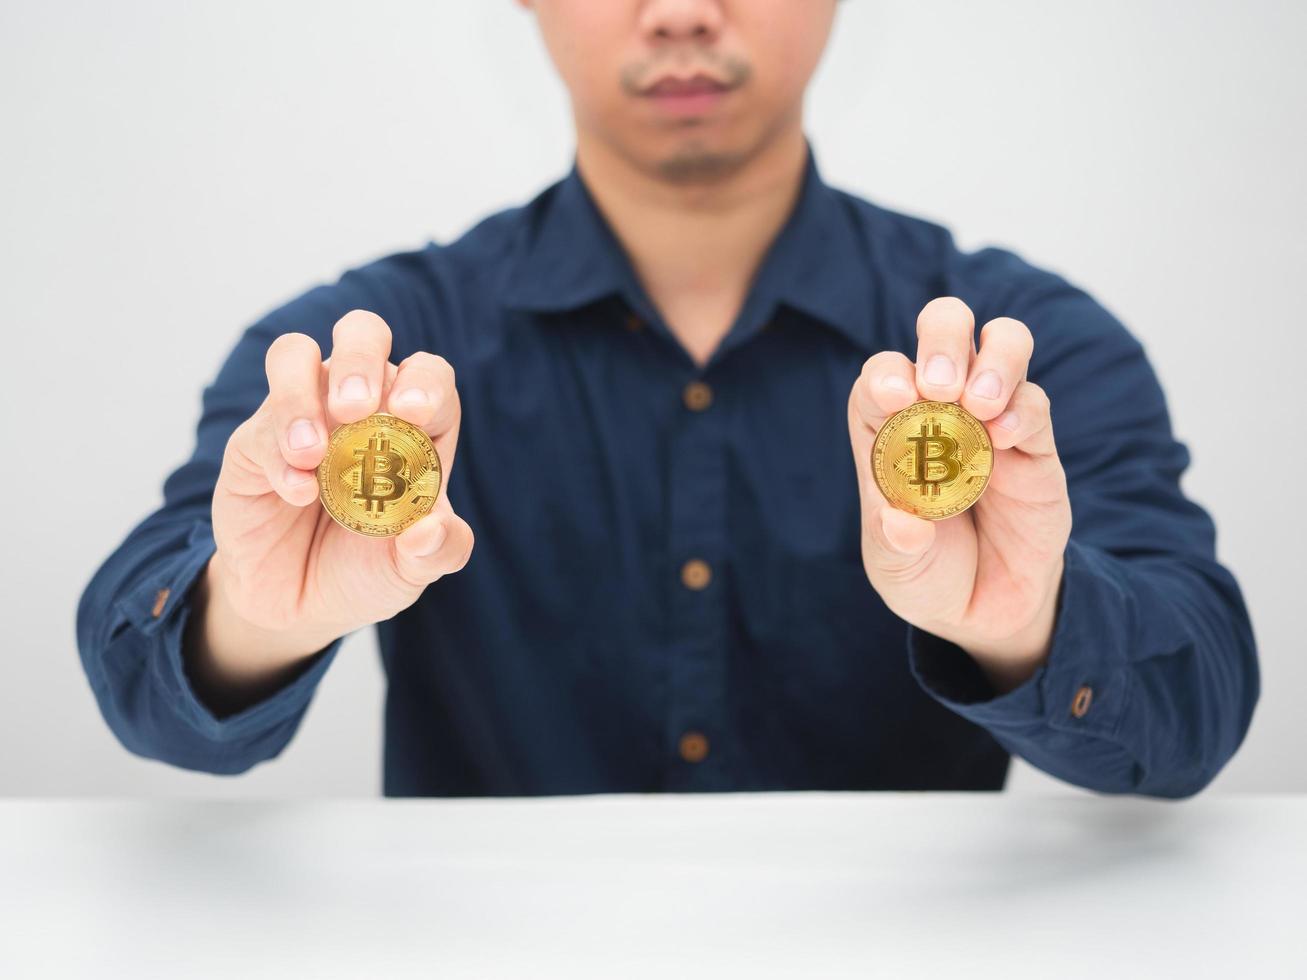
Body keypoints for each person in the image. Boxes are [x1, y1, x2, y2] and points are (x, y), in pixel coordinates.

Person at [76, 0, 1258, 798]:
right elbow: (139, 677)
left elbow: (1197, 700)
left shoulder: (1021, 355)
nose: (683, 10)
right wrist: (255, 616)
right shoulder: (357, 360)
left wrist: (1021, 623)